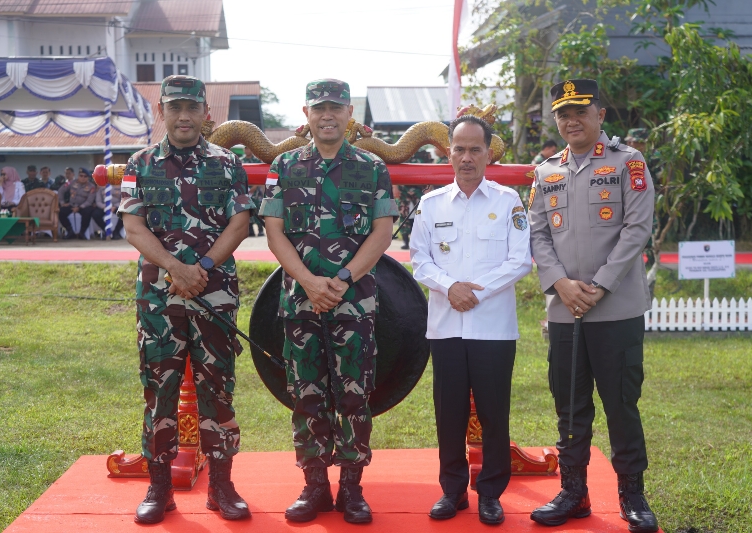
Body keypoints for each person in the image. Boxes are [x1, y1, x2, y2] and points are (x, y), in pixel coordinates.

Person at [118, 76, 255, 525]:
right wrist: (176, 268)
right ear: (161, 111)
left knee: (218, 388)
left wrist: (204, 268)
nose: (183, 116)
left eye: (191, 108)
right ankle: (159, 489)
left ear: (204, 113)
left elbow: (239, 224)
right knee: (159, 389)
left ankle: (222, 485)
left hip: (214, 293)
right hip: (160, 298)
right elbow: (134, 228)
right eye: (174, 107)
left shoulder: (228, 161)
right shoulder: (140, 163)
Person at [260, 79, 398, 525]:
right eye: (319, 108)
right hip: (300, 303)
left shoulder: (372, 167)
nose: (327, 116)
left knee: (355, 395)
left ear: (349, 113)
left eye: (336, 108)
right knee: (307, 394)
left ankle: (353, 489)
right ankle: (315, 485)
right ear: (306, 113)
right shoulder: (284, 165)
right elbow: (274, 230)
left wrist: (340, 279)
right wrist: (308, 282)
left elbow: (382, 231)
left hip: (353, 302)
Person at [527, 79, 658, 532]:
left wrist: (598, 286)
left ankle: (632, 495)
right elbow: (539, 235)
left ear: (600, 115)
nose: (571, 120)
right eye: (563, 113)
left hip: (615, 307)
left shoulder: (628, 162)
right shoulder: (547, 172)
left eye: (580, 111)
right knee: (569, 404)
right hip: (565, 309)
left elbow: (637, 228)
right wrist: (560, 284)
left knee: (621, 402)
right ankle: (573, 491)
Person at [409, 115, 532, 525]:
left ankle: (492, 492)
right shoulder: (431, 204)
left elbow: (520, 261)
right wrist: (450, 287)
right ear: (448, 153)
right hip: (445, 327)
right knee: (449, 412)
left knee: (495, 412)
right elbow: (419, 261)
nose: (466, 157)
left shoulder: (508, 201)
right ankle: (453, 491)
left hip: (493, 327)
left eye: (475, 149)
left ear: (488, 152)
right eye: (458, 149)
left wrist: (473, 290)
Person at [58, 168, 97, 239]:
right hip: (72, 204)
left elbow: (89, 201)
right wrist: (62, 202)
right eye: (81, 176)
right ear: (78, 176)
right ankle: (70, 231)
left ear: (88, 177)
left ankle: (82, 232)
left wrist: (79, 207)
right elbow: (61, 190)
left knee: (87, 212)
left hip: (84, 206)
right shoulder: (72, 182)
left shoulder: (92, 187)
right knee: (61, 211)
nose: (82, 178)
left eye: (85, 176)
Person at [243, 146, 265, 236]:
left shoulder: (257, 161)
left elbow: (260, 174)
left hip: (256, 192)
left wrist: (255, 187)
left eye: (249, 148)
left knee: (258, 210)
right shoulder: (241, 161)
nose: (248, 150)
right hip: (245, 190)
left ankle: (260, 230)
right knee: (247, 211)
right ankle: (250, 230)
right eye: (246, 148)